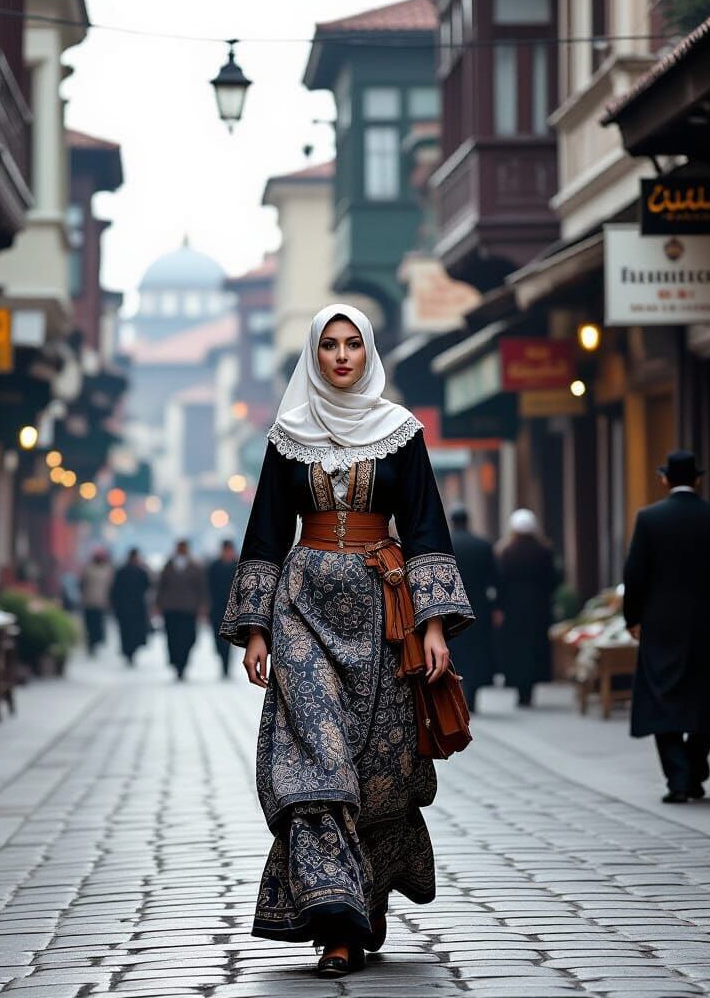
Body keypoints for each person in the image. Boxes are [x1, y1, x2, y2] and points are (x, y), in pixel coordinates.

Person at [221, 305, 473, 979]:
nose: (340, 355)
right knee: (317, 767)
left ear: (368, 352)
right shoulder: (287, 436)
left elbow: (425, 528)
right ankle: (336, 927)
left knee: (377, 770)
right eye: (329, 344)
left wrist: (435, 622)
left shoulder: (400, 433)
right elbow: (267, 533)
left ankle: (368, 895)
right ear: (314, 352)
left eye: (352, 344)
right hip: (302, 607)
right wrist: (255, 629)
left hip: (382, 612)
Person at [623, 450, 710, 804]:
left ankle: (678, 778)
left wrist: (632, 618)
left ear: (665, 479)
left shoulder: (649, 519)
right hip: (708, 619)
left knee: (661, 698)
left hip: (660, 622)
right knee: (703, 696)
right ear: (698, 479)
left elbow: (634, 574)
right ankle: (695, 770)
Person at [496, 509, 560, 708]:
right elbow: (554, 579)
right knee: (534, 648)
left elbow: (500, 581)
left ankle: (518, 686)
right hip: (538, 609)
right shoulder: (544, 551)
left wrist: (499, 606)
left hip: (513, 609)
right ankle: (529, 688)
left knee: (516, 649)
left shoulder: (506, 552)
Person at [448, 505, 501, 712]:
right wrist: (496, 607)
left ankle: (458, 694)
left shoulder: (445, 544)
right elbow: (495, 578)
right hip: (478, 606)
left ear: (452, 521)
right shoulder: (483, 545)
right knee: (477, 652)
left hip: (452, 607)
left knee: (457, 652)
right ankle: (473, 696)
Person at [156, 540, 208, 680]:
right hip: (171, 608)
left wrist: (203, 606)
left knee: (189, 638)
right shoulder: (168, 566)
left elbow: (202, 588)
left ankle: (184, 661)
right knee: (172, 637)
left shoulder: (195, 567)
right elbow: (160, 587)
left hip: (189, 609)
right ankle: (176, 663)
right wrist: (158, 605)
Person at [109, 548, 151, 666]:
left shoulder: (124, 571)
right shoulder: (138, 571)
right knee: (130, 631)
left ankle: (129, 652)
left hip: (128, 607)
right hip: (132, 607)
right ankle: (129, 652)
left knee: (128, 632)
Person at [206, 539, 238, 678]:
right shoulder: (214, 566)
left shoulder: (237, 566)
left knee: (229, 638)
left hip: (232, 609)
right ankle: (222, 659)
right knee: (218, 638)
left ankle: (226, 666)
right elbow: (207, 587)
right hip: (216, 609)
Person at [80, 550, 113, 656]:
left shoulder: (107, 570)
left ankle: (95, 642)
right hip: (89, 602)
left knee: (98, 625)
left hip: (100, 602)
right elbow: (82, 585)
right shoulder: (88, 569)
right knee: (90, 625)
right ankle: (91, 643)